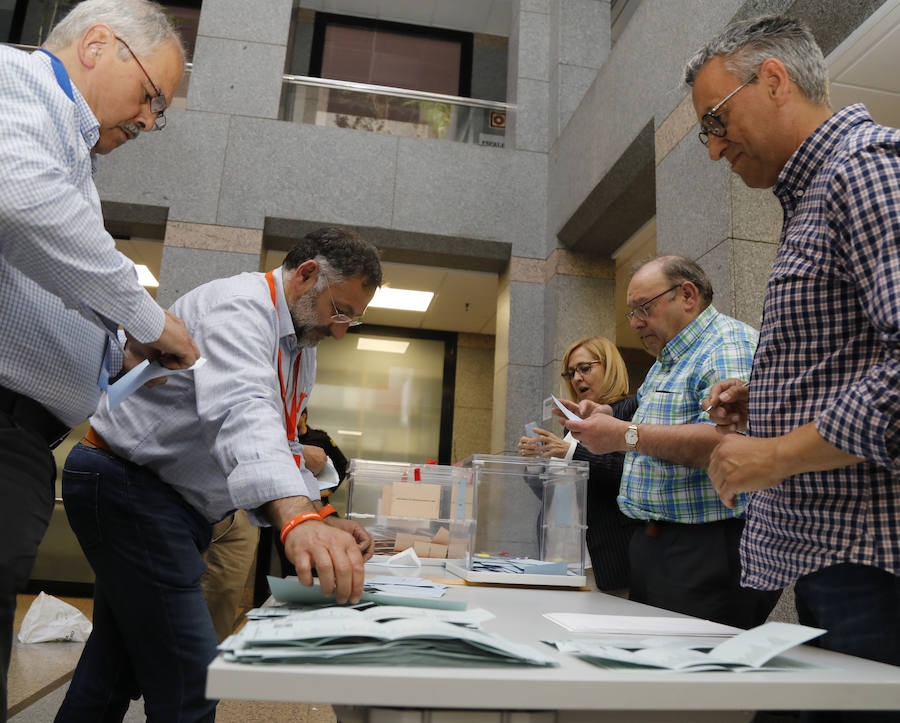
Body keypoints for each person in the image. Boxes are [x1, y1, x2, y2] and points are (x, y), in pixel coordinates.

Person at [55, 227, 382, 722]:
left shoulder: (299, 346)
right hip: (129, 484)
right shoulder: (239, 308)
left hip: (164, 499)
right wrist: (296, 519)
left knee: (112, 669)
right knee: (192, 682)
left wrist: (319, 513)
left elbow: (281, 436)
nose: (340, 330)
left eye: (351, 321)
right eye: (339, 311)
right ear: (307, 275)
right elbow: (242, 408)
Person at [685, 15, 900, 682]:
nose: (715, 150)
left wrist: (775, 455)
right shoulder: (815, 191)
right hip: (838, 559)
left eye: (715, 122)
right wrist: (776, 398)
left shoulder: (861, 171)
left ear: (773, 80)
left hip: (873, 565)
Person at [0, 1, 199, 719]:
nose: (149, 120)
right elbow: (22, 200)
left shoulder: (66, 145)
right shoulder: (17, 81)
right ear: (95, 45)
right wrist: (147, 318)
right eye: (151, 96)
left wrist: (113, 352)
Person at [558, 257, 780, 628]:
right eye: (631, 313)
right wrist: (610, 417)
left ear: (687, 295)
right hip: (657, 544)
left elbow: (727, 443)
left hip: (707, 546)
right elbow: (660, 430)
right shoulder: (667, 362)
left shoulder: (726, 345)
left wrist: (624, 435)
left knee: (696, 675)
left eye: (644, 308)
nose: (636, 323)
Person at [517, 337, 638, 592]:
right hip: (561, 554)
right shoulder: (574, 425)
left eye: (585, 368)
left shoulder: (630, 410)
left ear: (609, 367)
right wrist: (535, 463)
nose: (576, 378)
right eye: (571, 373)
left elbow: (627, 471)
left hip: (604, 557)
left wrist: (570, 451)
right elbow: (556, 495)